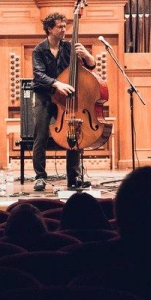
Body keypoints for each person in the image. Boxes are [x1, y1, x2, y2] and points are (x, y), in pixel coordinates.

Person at [31, 12, 96, 191]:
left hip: (65, 98)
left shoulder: (69, 47)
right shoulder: (39, 50)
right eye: (60, 26)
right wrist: (56, 83)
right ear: (49, 29)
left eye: (64, 26)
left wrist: (87, 55)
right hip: (45, 95)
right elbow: (39, 74)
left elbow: (89, 67)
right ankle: (40, 177)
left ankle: (73, 176)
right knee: (41, 135)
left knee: (73, 132)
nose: (64, 29)